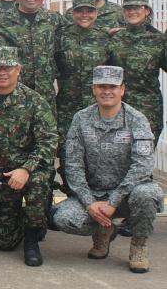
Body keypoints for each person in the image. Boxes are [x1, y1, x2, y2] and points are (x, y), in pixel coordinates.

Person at [53, 66, 163, 274]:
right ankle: (105, 230)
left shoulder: (137, 119)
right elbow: (73, 165)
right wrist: (89, 203)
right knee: (64, 218)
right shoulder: (81, 119)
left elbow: (142, 166)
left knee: (147, 194)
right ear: (94, 89)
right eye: (101, 86)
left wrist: (114, 201)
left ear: (122, 89)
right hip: (94, 194)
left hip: (128, 195)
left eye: (112, 86)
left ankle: (139, 245)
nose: (107, 91)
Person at [0, 47, 57, 267]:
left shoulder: (34, 101)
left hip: (27, 170)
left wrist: (26, 169)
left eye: (8, 67)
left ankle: (32, 239)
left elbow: (49, 140)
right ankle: (22, 219)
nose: (2, 72)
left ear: (18, 69)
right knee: (4, 242)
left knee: (38, 184)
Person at [55, 0, 113, 191]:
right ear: (73, 12)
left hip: (96, 107)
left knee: (97, 155)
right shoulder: (62, 36)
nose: (84, 15)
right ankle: (72, 201)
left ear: (96, 13)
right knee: (67, 153)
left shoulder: (105, 38)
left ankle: (97, 202)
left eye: (89, 11)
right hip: (67, 107)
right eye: (80, 11)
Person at [0, 0, 63, 114]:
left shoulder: (54, 19)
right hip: (15, 94)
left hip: (45, 93)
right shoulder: (1, 23)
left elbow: (63, 50)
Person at [110, 0, 167, 141]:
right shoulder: (115, 38)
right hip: (117, 108)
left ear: (147, 10)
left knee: (144, 155)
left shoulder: (159, 40)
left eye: (137, 7)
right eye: (128, 8)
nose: (132, 11)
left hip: (147, 109)